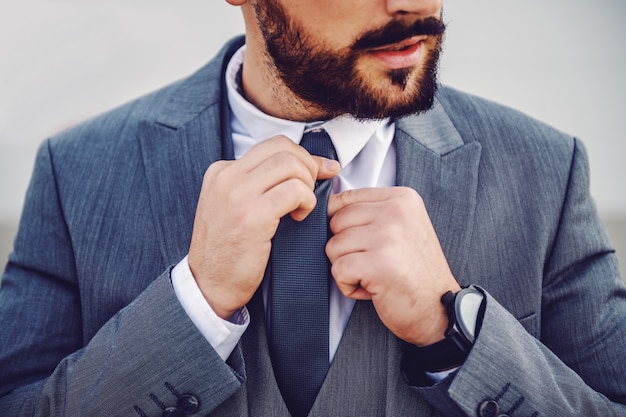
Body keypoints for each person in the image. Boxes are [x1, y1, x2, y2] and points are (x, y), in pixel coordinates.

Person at [1, 0, 625, 416]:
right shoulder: (76, 171)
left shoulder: (546, 169)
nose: (411, 3)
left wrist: (454, 332)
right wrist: (193, 305)